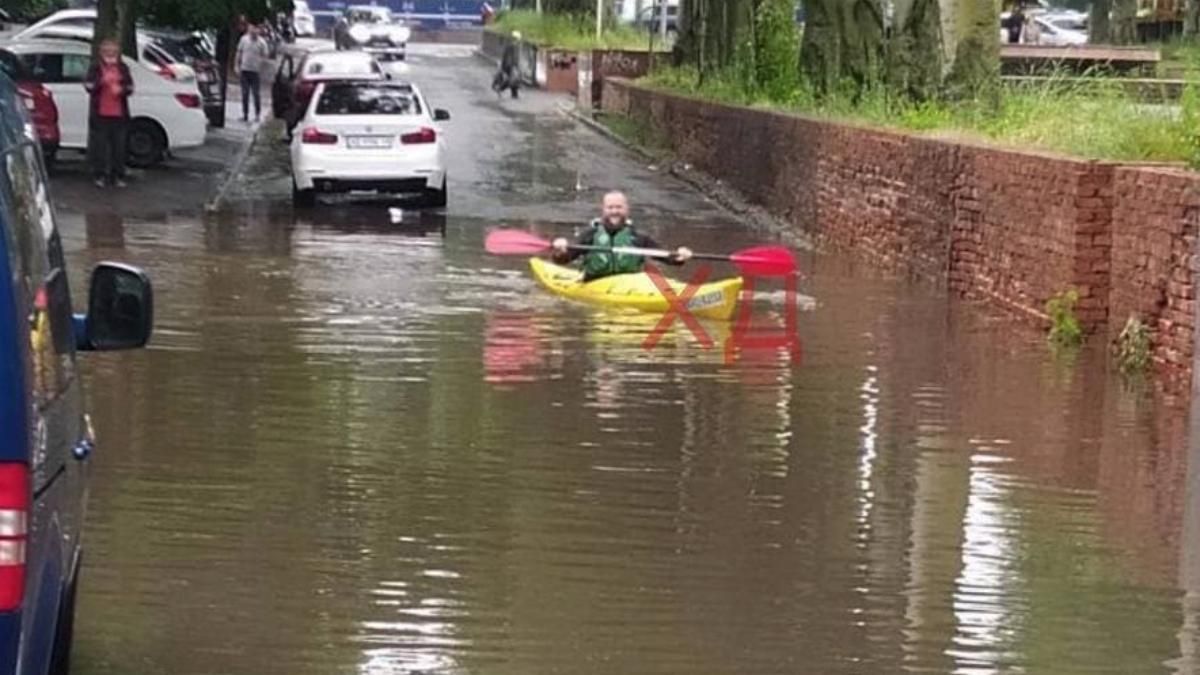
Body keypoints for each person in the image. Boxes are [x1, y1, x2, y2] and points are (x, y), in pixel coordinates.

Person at [552, 191, 692, 281]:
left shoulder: (637, 236)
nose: (614, 211)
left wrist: (680, 257)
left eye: (619, 207)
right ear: (604, 210)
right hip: (595, 283)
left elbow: (665, 256)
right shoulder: (590, 235)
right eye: (610, 207)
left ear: (626, 209)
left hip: (632, 285)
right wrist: (560, 251)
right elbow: (564, 259)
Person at [83, 38, 133, 189]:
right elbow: (88, 86)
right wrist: (101, 82)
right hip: (100, 113)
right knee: (100, 146)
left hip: (119, 114)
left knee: (119, 146)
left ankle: (118, 175)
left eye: (113, 51)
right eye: (107, 50)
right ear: (102, 52)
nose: (111, 53)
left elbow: (130, 86)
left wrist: (122, 90)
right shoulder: (95, 67)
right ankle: (100, 175)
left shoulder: (123, 67)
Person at [235, 23, 269, 122]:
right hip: (244, 70)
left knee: (256, 94)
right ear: (249, 29)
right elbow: (239, 52)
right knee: (244, 93)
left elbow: (265, 56)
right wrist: (236, 65)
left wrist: (262, 66)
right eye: (252, 29)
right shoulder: (244, 40)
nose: (254, 31)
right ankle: (245, 114)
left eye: (256, 29)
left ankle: (257, 114)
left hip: (255, 71)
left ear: (258, 31)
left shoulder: (262, 43)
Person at [495, 30, 521, 98]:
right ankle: (500, 89)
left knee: (514, 79)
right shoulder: (512, 45)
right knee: (512, 79)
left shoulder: (511, 45)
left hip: (510, 65)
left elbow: (506, 56)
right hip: (510, 65)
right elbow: (512, 57)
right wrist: (513, 65)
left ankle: (514, 94)